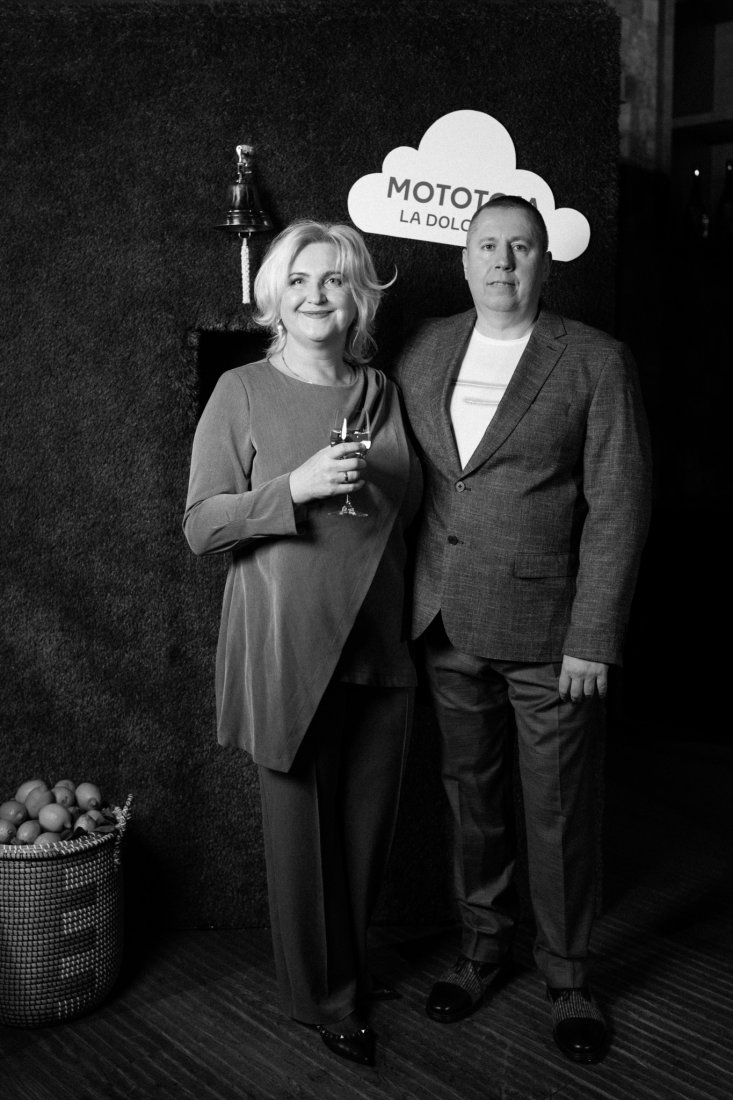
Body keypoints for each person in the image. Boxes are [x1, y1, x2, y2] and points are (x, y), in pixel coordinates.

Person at [394, 195, 652, 1064]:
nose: (502, 262)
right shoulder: (424, 346)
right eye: (487, 246)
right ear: (464, 259)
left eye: (520, 247)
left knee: (558, 813)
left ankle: (568, 978)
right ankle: (480, 952)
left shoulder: (594, 360)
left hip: (551, 633)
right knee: (470, 802)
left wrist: (593, 635)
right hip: (445, 619)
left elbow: (619, 504)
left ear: (545, 261)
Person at [183, 220, 422, 1068]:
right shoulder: (242, 390)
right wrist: (295, 487)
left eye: (334, 280)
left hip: (379, 639)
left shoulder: (380, 391)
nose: (317, 294)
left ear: (358, 296)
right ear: (274, 297)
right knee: (301, 840)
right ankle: (323, 999)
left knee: (365, 831)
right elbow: (202, 525)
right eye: (300, 280)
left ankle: (347, 971)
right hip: (288, 644)